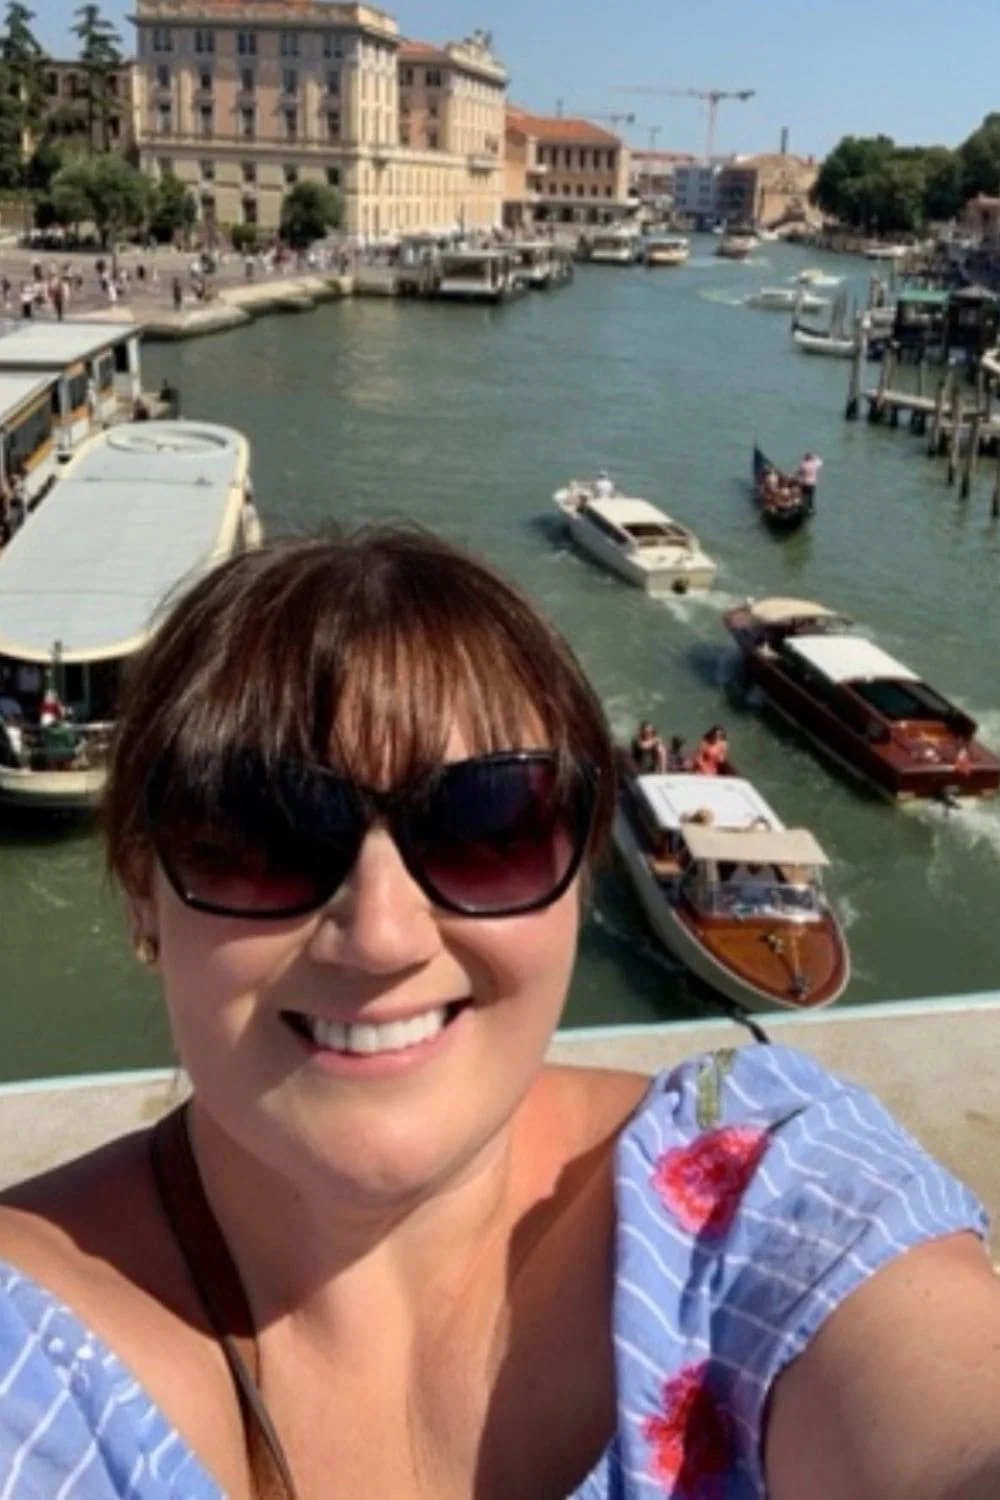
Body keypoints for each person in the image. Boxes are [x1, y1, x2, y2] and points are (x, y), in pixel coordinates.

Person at [0, 527, 999, 1500]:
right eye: (264, 832)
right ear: (142, 890)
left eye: (487, 825)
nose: (384, 934)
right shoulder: (27, 1359)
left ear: (577, 875)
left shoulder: (765, 1207)